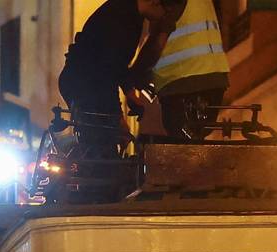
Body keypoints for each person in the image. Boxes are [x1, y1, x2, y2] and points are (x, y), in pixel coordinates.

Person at [58, 0, 187, 146]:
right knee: (100, 145)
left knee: (99, 141)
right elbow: (106, 73)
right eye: (166, 14)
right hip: (85, 83)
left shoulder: (131, 15)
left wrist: (129, 92)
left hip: (85, 81)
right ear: (156, 3)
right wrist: (118, 119)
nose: (163, 19)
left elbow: (118, 63)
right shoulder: (121, 19)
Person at [148, 0, 228, 139]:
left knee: (181, 140)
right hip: (214, 76)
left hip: (181, 79)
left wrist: (137, 73)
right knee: (195, 138)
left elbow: (159, 37)